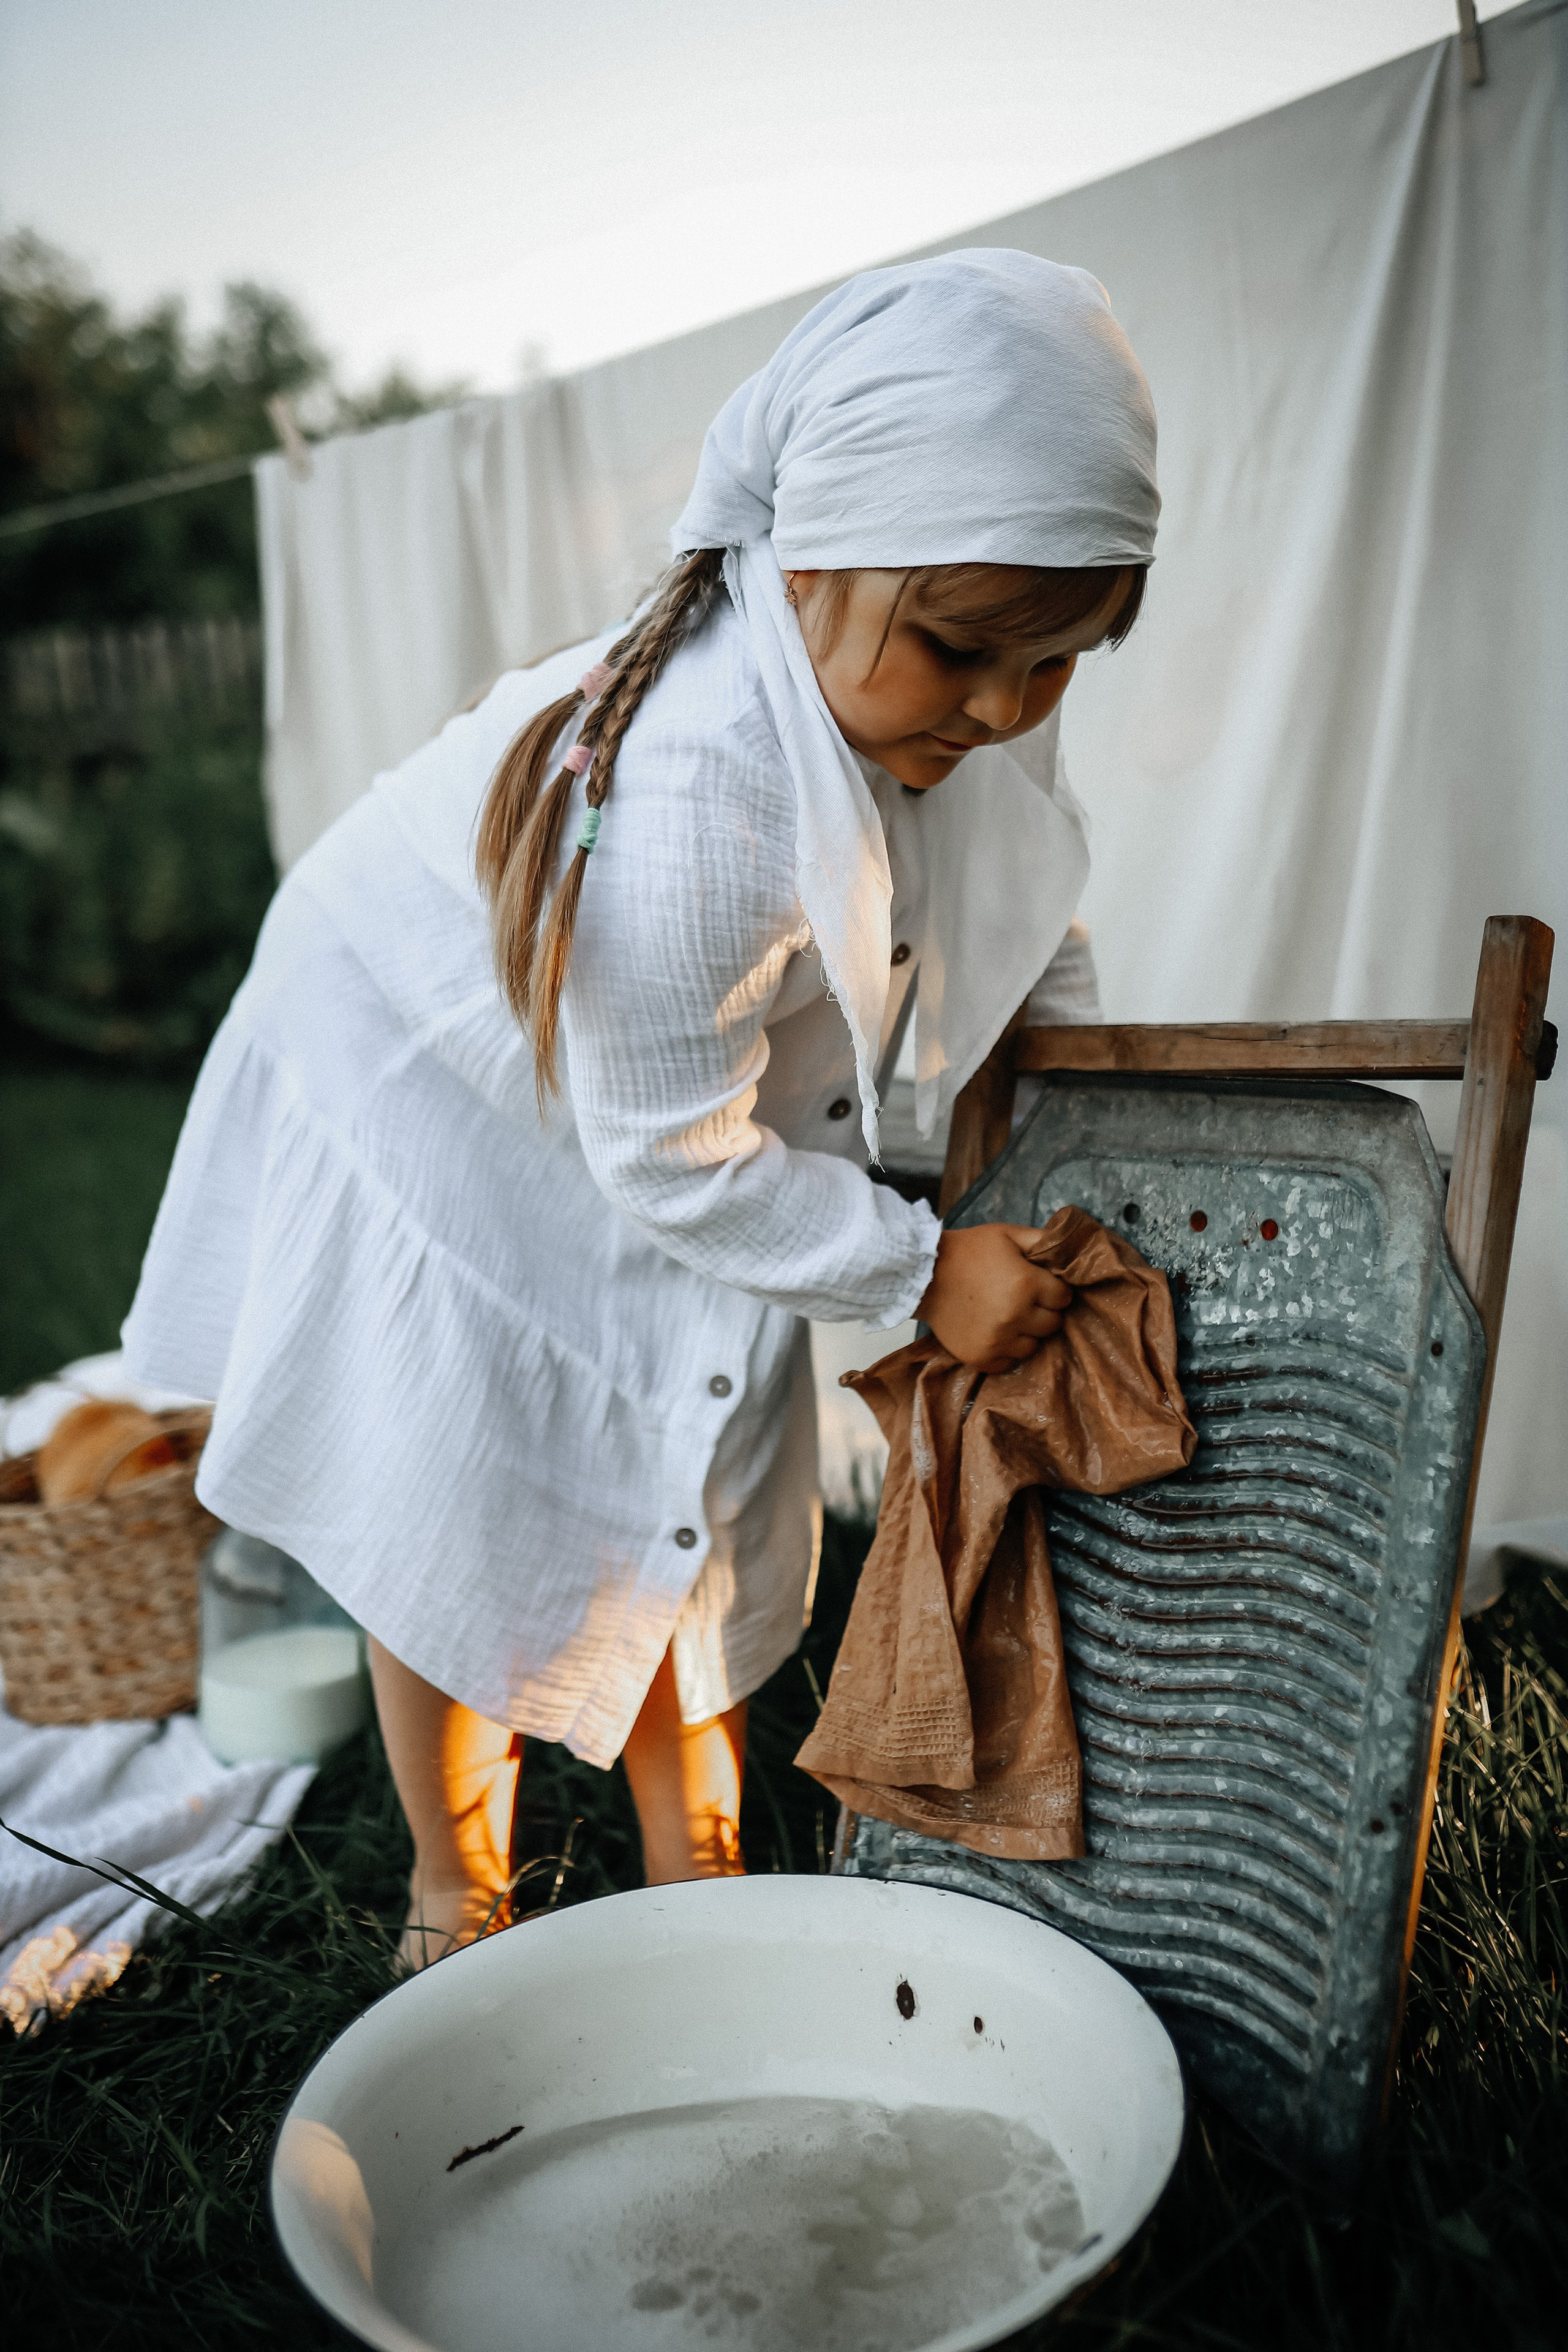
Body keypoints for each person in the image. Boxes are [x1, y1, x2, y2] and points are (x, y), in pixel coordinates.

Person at [123, 250, 1159, 1967]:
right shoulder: (702, 796)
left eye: (1054, 667)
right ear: (812, 560)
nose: (1000, 710)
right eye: (965, 652)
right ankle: (457, 1892)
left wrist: (1077, 1086)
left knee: (685, 1461)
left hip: (642, 1094)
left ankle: (702, 1864)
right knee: (466, 1485)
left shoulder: (966, 691)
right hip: (424, 1075)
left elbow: (1023, 911)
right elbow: (677, 1164)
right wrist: (915, 1278)